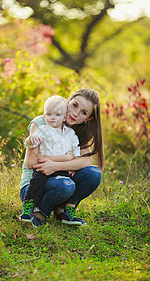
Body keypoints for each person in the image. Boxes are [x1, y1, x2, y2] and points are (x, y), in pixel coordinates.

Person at [20, 88, 104, 227]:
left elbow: (86, 161)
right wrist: (69, 160)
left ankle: (63, 210)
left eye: (83, 112)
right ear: (68, 101)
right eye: (75, 105)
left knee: (93, 174)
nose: (75, 114)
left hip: (61, 179)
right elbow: (31, 162)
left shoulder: (76, 131)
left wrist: (57, 165)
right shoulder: (43, 121)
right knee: (65, 185)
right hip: (33, 187)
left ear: (88, 118)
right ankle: (39, 212)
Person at [19, 95, 81, 227]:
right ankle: (28, 206)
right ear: (44, 115)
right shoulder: (42, 130)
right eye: (49, 114)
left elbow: (73, 151)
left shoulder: (68, 133)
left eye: (57, 114)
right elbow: (31, 143)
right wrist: (30, 140)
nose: (53, 117)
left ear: (64, 117)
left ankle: (68, 211)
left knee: (71, 182)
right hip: (44, 168)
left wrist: (72, 161)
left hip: (60, 169)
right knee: (37, 180)